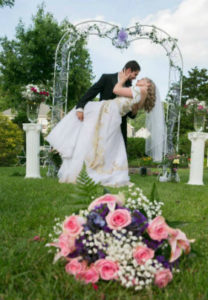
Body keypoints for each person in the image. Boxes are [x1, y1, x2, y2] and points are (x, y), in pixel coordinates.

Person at [45, 73, 166, 187]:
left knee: (85, 126)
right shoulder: (141, 96)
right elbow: (133, 111)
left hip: (108, 113)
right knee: (107, 147)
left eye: (142, 79)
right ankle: (103, 171)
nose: (139, 79)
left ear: (148, 85)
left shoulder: (140, 90)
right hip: (113, 115)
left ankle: (86, 167)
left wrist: (122, 80)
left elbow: (116, 90)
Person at [76, 60, 141, 146]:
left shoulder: (130, 88)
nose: (135, 77)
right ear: (129, 70)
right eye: (135, 74)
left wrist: (136, 108)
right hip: (104, 123)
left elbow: (131, 115)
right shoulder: (106, 78)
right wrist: (80, 108)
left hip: (120, 129)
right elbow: (91, 93)